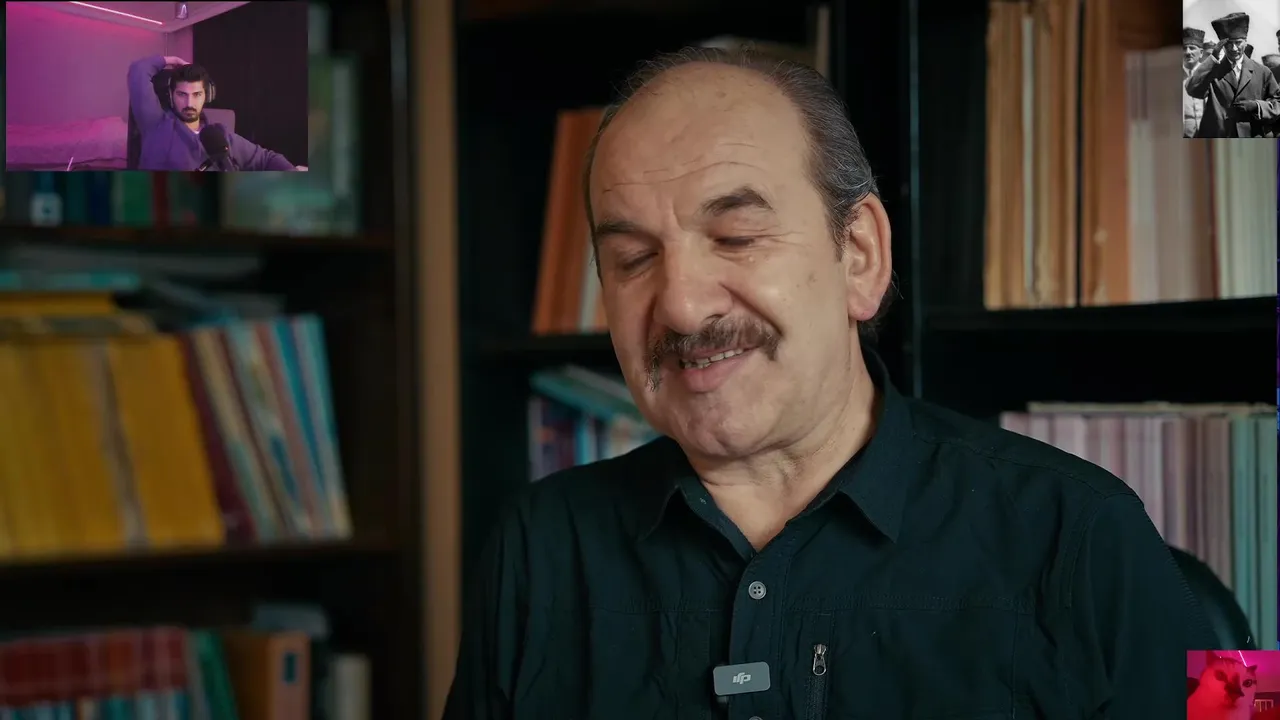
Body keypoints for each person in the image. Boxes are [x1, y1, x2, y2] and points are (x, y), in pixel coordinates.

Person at [444, 47, 1217, 719]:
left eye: (736, 236)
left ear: (860, 256)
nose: (679, 304)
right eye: (633, 260)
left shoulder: (1090, 527)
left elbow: (1247, 704)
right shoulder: (538, 549)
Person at [126, 56, 300, 171]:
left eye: (197, 95)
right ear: (171, 96)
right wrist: (172, 60)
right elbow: (138, 70)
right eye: (182, 95)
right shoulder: (155, 124)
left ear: (207, 95)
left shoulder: (220, 136)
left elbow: (267, 159)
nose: (189, 103)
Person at [1186, 12, 1280, 138]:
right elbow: (1192, 89)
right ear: (1221, 45)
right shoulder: (1213, 71)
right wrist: (1212, 58)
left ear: (1246, 42)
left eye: (1238, 42)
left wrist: (1257, 106)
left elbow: (1278, 103)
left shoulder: (1262, 71)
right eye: (1228, 43)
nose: (1234, 48)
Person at [1184, 27, 1207, 137]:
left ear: (1201, 53)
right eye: (1184, 48)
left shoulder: (1210, 74)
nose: (1187, 52)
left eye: (1192, 48)